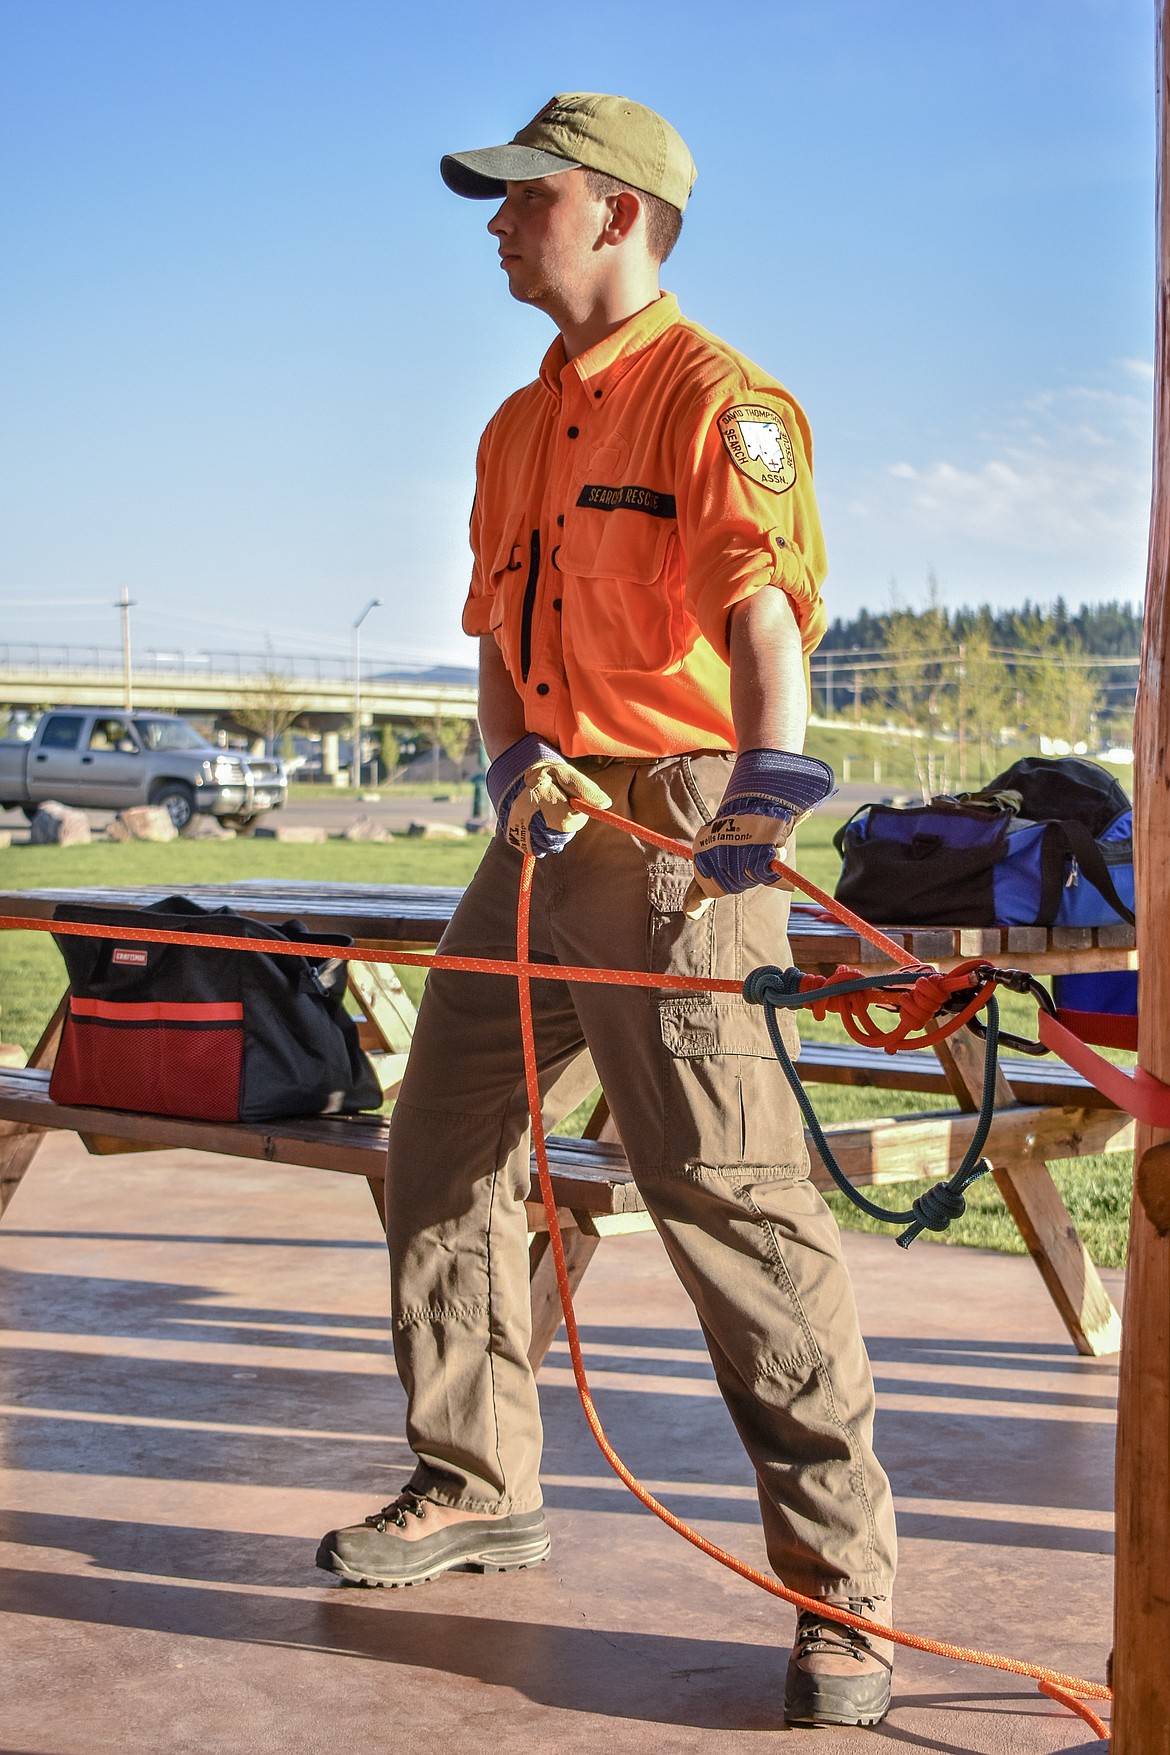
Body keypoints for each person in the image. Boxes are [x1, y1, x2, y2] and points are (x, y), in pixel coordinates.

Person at [318, 92, 897, 1730]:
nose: (496, 225)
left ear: (623, 217)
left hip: (679, 832)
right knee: (439, 1148)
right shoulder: (513, 427)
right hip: (541, 821)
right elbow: (499, 636)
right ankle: (476, 1480)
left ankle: (836, 1599)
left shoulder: (726, 400)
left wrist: (768, 787)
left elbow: (762, 611)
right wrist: (507, 763)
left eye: (526, 200)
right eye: (495, 203)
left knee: (732, 1203)